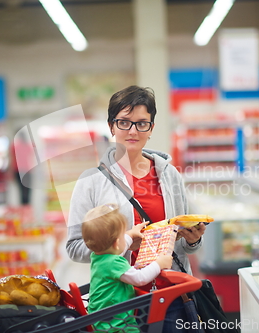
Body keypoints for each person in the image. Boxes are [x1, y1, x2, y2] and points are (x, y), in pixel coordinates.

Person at [66, 85, 207, 331]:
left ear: (151, 128)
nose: (133, 131)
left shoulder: (169, 175)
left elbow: (182, 244)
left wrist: (193, 240)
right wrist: (120, 244)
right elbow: (74, 247)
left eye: (142, 123)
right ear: (111, 127)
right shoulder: (91, 181)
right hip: (120, 303)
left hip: (172, 296)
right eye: (124, 122)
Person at [82, 203, 172, 332]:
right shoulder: (114, 262)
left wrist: (130, 234)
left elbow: (118, 248)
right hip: (117, 325)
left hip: (101, 321)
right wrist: (159, 263)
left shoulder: (98, 258)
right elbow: (140, 278)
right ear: (117, 242)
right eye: (123, 234)